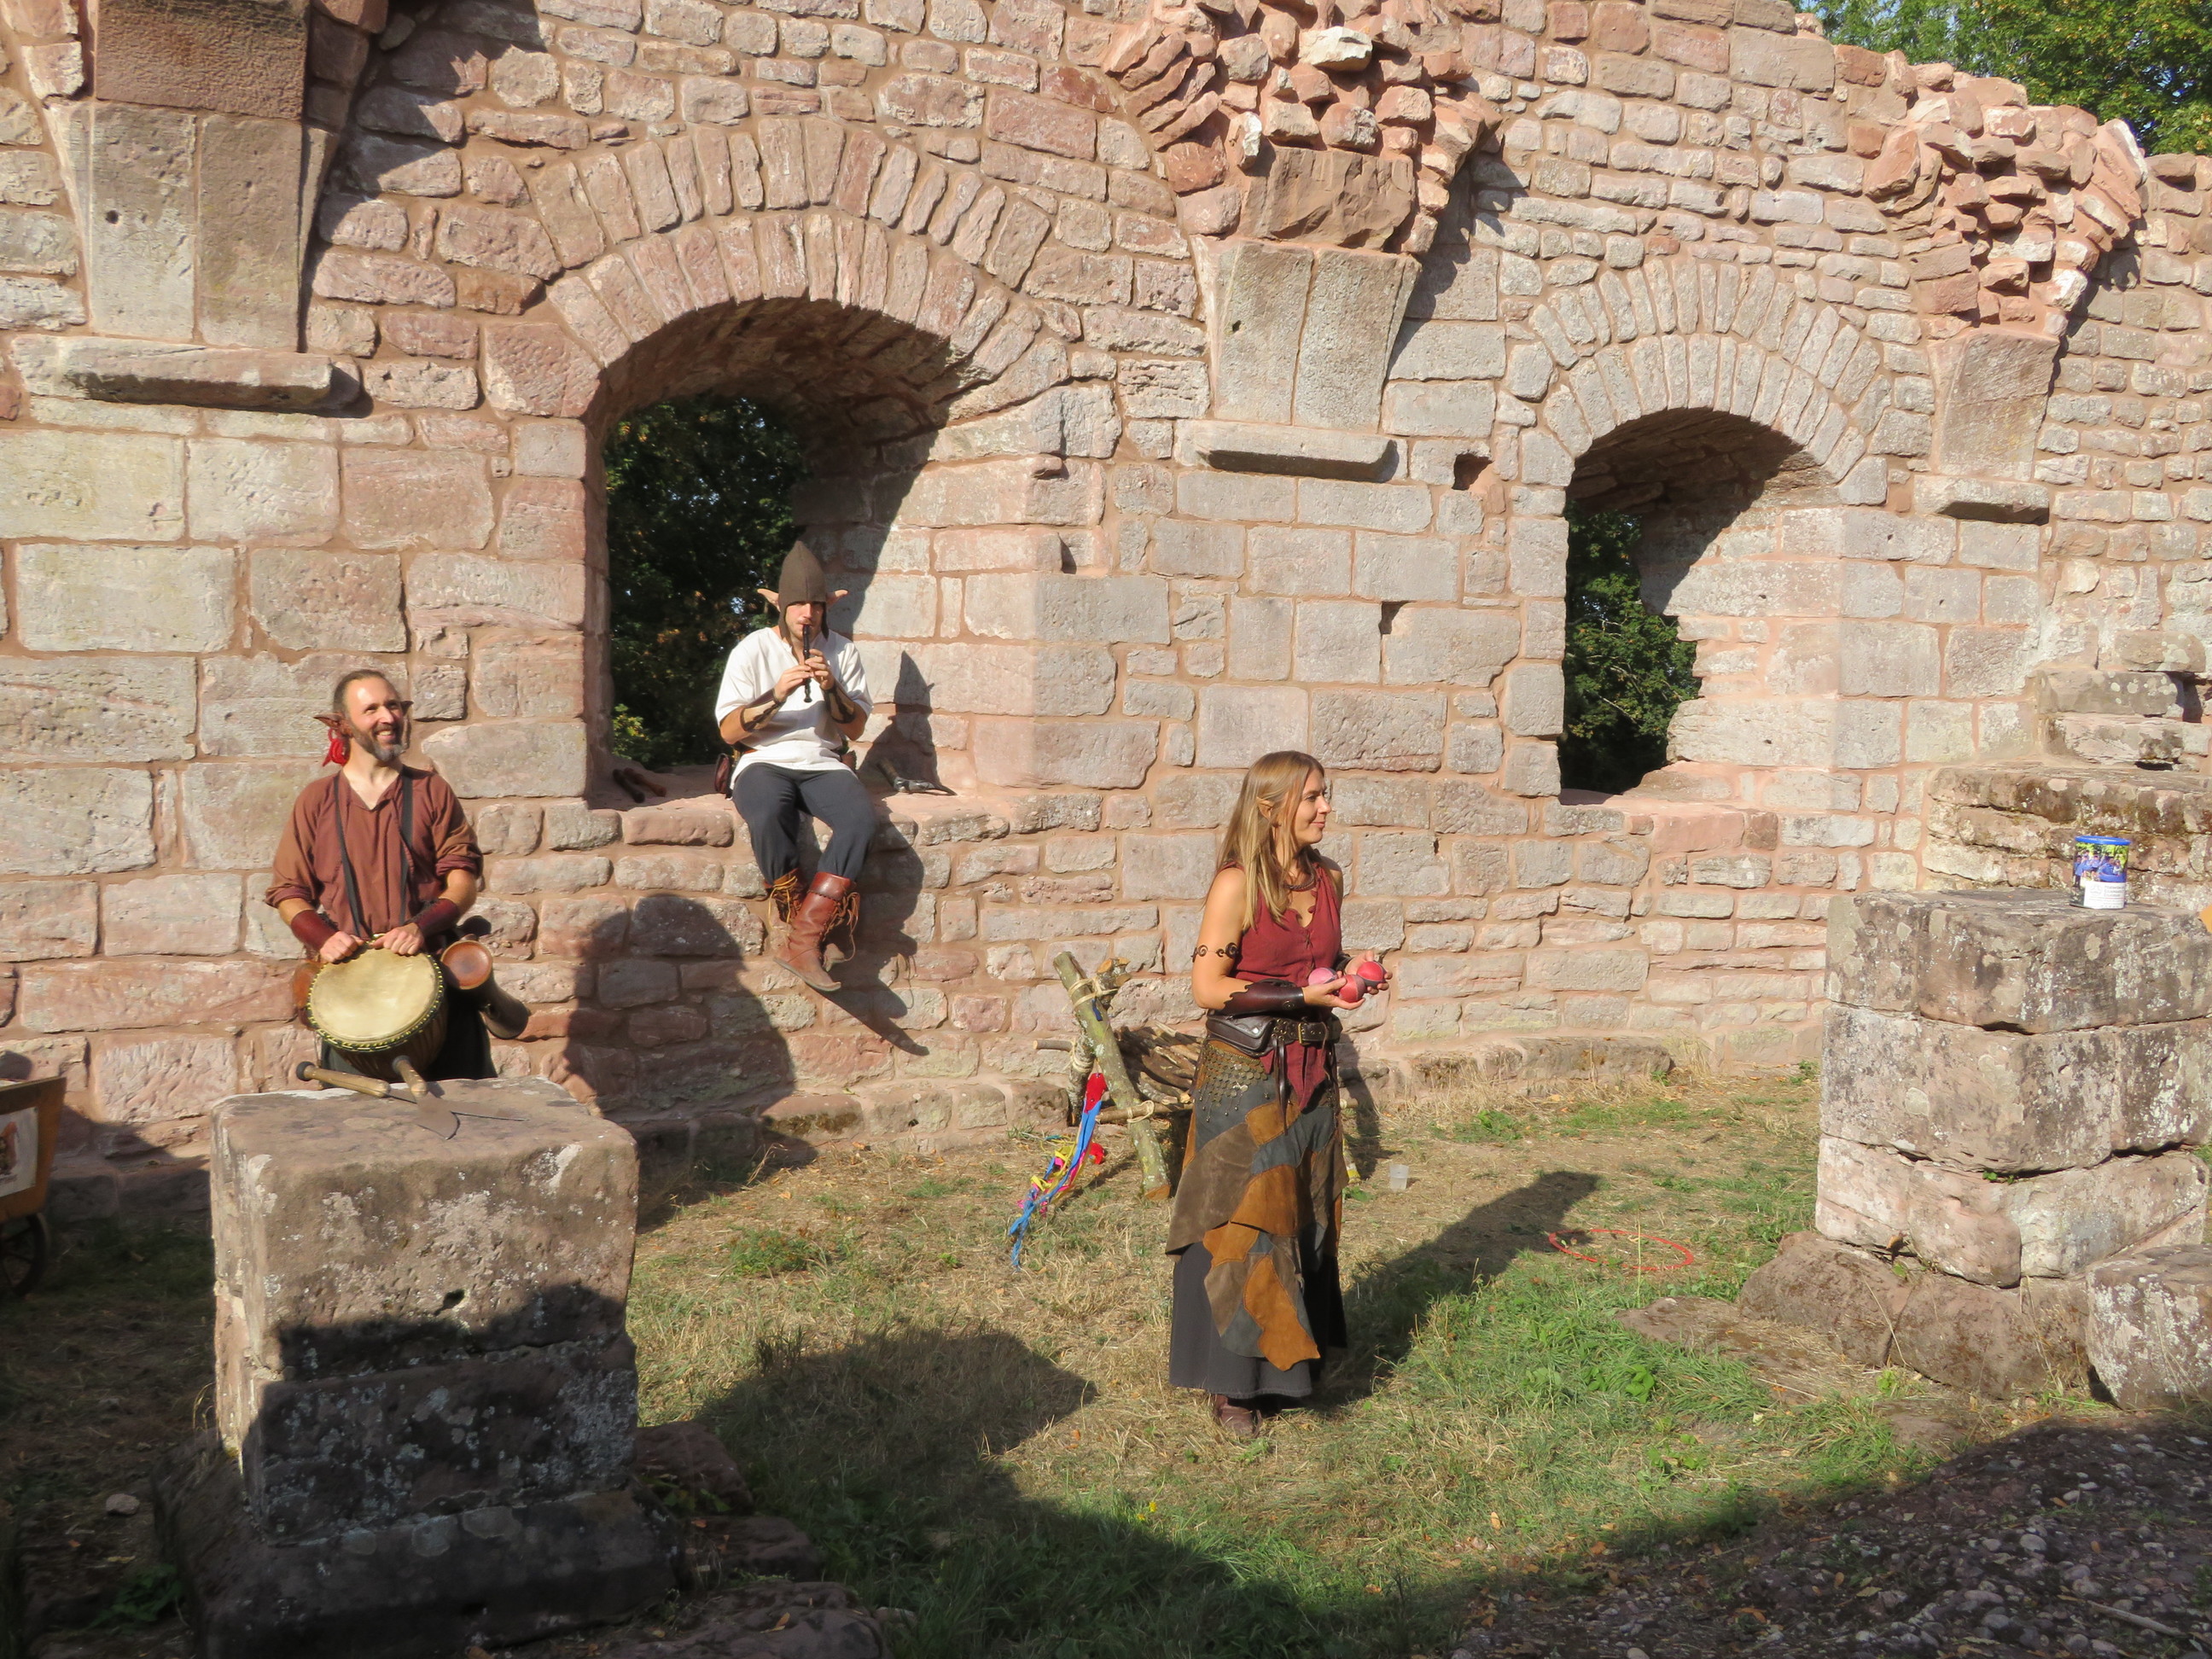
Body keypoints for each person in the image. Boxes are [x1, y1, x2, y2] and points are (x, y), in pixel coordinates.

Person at [1167, 750, 1388, 1439]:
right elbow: (1208, 988)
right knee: (1244, 1217)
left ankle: (1289, 1370)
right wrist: (1300, 995)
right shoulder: (1236, 884)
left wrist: (1352, 968)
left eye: (1326, 794)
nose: (1326, 807)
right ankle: (1232, 1384)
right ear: (1271, 808)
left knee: (1304, 1209)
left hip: (1312, 1069)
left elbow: (1316, 961)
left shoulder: (1328, 878)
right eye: (1312, 797)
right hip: (1246, 1072)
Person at [267, 669, 492, 1080]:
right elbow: (288, 892)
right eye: (371, 709)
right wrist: (324, 938)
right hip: (353, 997)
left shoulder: (432, 791)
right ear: (342, 724)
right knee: (359, 1119)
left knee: (470, 1113)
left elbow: (462, 881)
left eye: (393, 706)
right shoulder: (316, 801)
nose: (388, 717)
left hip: (434, 981)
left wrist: (420, 927)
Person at [715, 538, 874, 993]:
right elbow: (729, 732)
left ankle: (804, 939)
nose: (808, 614)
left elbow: (856, 727)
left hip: (823, 761)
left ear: (827, 608)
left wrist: (832, 687)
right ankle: (813, 930)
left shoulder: (843, 652)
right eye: (799, 605)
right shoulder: (752, 649)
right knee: (768, 814)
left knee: (860, 822)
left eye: (816, 605)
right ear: (781, 607)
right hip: (762, 760)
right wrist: (777, 694)